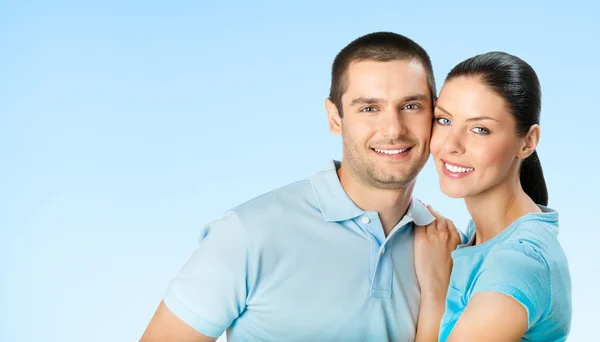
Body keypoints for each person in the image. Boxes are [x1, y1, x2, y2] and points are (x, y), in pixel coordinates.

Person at [140, 31, 456, 342]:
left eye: (411, 106)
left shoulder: (448, 248)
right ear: (335, 118)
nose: (393, 129)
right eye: (369, 108)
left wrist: (437, 293)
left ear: (437, 113)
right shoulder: (246, 236)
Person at [413, 52, 572, 341]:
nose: (451, 145)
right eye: (444, 120)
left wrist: (436, 288)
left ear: (527, 142)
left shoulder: (517, 262)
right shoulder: (486, 233)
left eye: (479, 129)